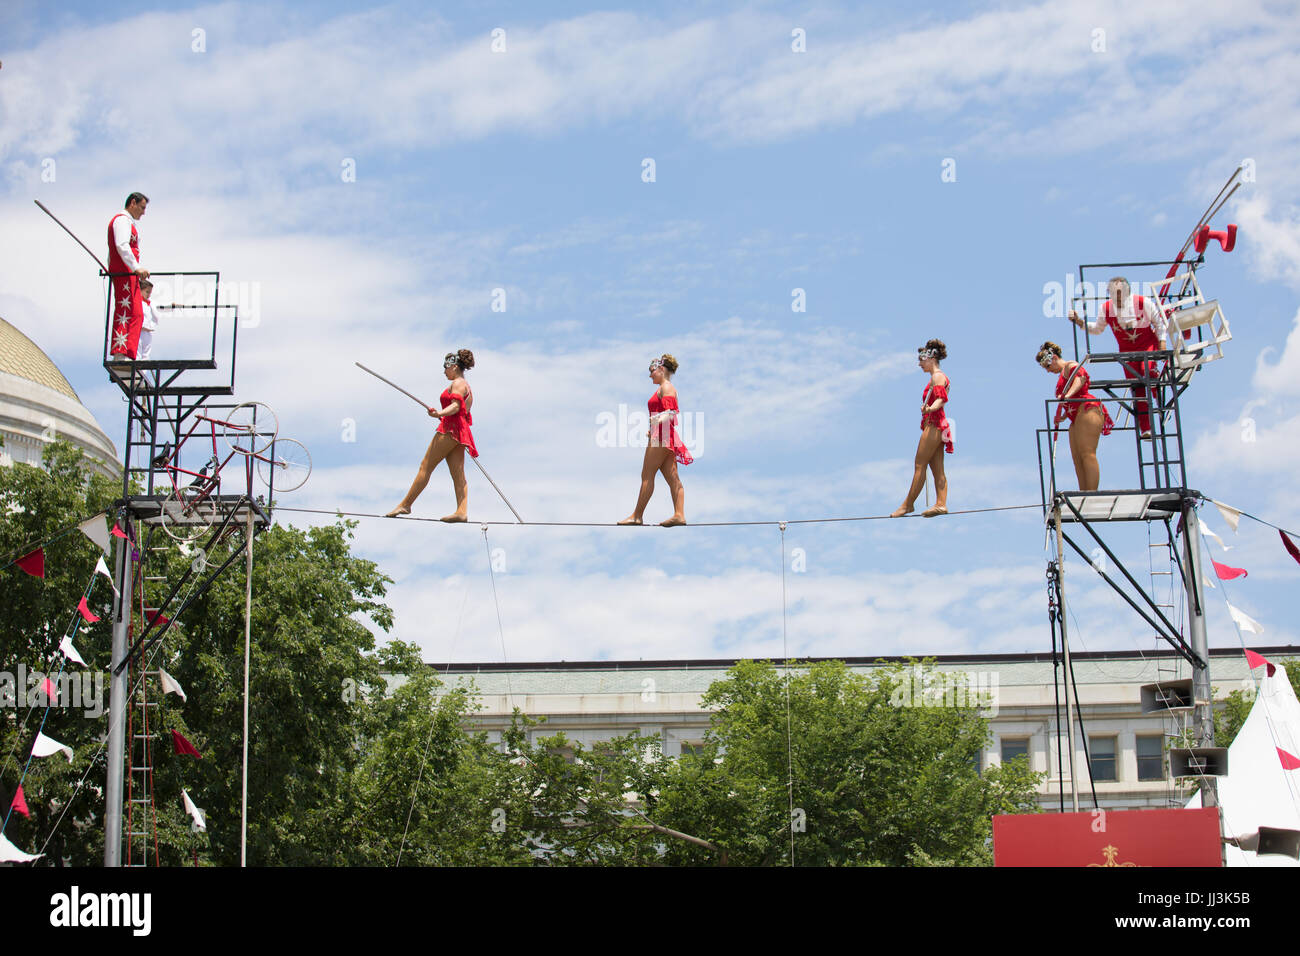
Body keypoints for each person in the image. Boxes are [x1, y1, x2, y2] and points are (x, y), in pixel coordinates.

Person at [1068, 276, 1168, 437]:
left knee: (1147, 372)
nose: (1118, 296)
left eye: (1120, 292)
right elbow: (1097, 328)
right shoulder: (1106, 309)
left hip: (1147, 346)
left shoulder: (1143, 303)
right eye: (1114, 293)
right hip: (1127, 353)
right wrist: (1079, 322)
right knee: (1138, 389)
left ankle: (1157, 395)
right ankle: (1146, 428)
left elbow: (1159, 322)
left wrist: (1162, 343)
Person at [385, 349, 477, 522]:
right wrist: (443, 413)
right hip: (460, 432)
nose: (444, 371)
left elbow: (456, 406)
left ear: (454, 367)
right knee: (458, 474)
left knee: (425, 467)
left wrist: (439, 414)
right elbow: (460, 410)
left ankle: (406, 504)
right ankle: (462, 511)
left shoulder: (458, 383)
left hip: (449, 429)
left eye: (446, 367)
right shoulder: (467, 387)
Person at [619, 354, 691, 527]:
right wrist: (652, 426)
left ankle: (637, 516)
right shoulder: (664, 388)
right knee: (673, 479)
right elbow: (666, 413)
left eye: (652, 371)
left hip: (661, 437)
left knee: (647, 475)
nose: (650, 375)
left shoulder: (666, 387)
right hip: (664, 436)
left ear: (662, 369)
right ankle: (679, 515)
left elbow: (671, 412)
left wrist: (656, 422)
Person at [1037, 341, 1113, 491]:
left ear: (1054, 358)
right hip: (1075, 416)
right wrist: (1064, 416)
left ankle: (1091, 492)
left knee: (1087, 453)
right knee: (1077, 458)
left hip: (1088, 409)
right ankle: (1084, 491)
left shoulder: (1070, 365)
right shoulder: (1062, 374)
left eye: (1047, 365)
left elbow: (1079, 379)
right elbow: (1071, 397)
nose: (1047, 370)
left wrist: (1067, 395)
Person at [890, 339, 952, 518]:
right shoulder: (938, 376)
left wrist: (930, 408)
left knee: (919, 465)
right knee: (937, 468)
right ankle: (941, 504)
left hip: (934, 425)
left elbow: (941, 399)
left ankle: (907, 505)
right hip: (940, 426)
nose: (919, 364)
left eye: (921, 359)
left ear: (931, 358)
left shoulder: (937, 376)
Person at [107, 192, 149, 360]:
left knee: (136, 312)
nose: (144, 212)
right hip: (125, 273)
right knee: (128, 310)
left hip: (128, 273)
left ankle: (129, 353)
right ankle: (121, 353)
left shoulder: (128, 223)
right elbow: (121, 245)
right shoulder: (122, 221)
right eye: (142, 207)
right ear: (133, 203)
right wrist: (136, 267)